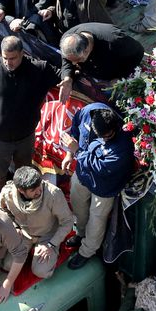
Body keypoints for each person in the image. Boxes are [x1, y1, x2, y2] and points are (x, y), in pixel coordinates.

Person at [0, 36, 59, 197]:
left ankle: (23, 199)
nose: (8, 62)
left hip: (25, 137)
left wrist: (68, 79)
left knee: (24, 172)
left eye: (12, 58)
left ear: (22, 54)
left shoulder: (36, 69)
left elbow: (62, 72)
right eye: (5, 58)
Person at [62, 104, 134, 270]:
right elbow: (75, 129)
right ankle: (80, 234)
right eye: (100, 135)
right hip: (82, 175)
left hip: (105, 186)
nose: (105, 138)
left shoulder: (123, 143)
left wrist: (77, 152)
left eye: (108, 135)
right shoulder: (88, 112)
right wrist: (69, 153)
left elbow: (100, 167)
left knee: (97, 219)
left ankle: (87, 251)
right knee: (78, 208)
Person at [0, 167, 76, 280]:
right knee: (7, 265)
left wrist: (51, 244)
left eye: (39, 187)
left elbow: (68, 221)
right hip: (25, 234)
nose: (39, 191)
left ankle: (54, 252)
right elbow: (2, 209)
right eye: (33, 190)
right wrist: (15, 226)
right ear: (21, 190)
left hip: (47, 236)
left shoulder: (53, 193)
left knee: (41, 271)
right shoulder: (8, 193)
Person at [57, 25, 145, 100]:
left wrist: (121, 77)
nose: (73, 63)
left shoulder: (115, 40)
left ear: (86, 50)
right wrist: (67, 79)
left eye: (77, 60)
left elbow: (138, 53)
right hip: (98, 77)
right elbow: (66, 60)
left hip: (119, 76)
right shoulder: (67, 39)